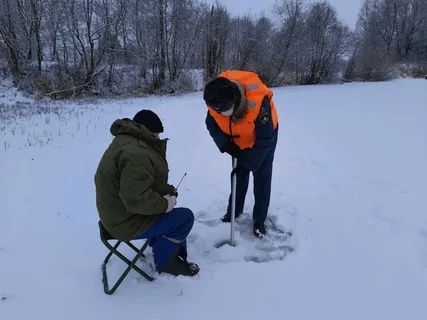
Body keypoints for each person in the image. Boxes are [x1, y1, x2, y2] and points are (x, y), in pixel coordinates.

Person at [94, 109, 199, 277]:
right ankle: (166, 263)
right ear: (148, 132)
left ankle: (161, 245)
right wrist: (165, 204)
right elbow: (137, 199)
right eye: (156, 135)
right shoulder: (136, 154)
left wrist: (167, 191)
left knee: (172, 215)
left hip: (116, 217)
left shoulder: (125, 142)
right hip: (126, 223)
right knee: (184, 218)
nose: (158, 139)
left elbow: (141, 182)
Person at [203, 70, 279, 238]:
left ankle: (259, 220)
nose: (221, 113)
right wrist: (227, 145)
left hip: (263, 138)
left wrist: (249, 165)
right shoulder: (215, 99)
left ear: (235, 100)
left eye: (224, 109)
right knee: (238, 175)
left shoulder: (259, 103)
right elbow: (212, 125)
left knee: (262, 177)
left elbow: (265, 139)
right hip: (237, 141)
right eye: (218, 110)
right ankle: (234, 212)